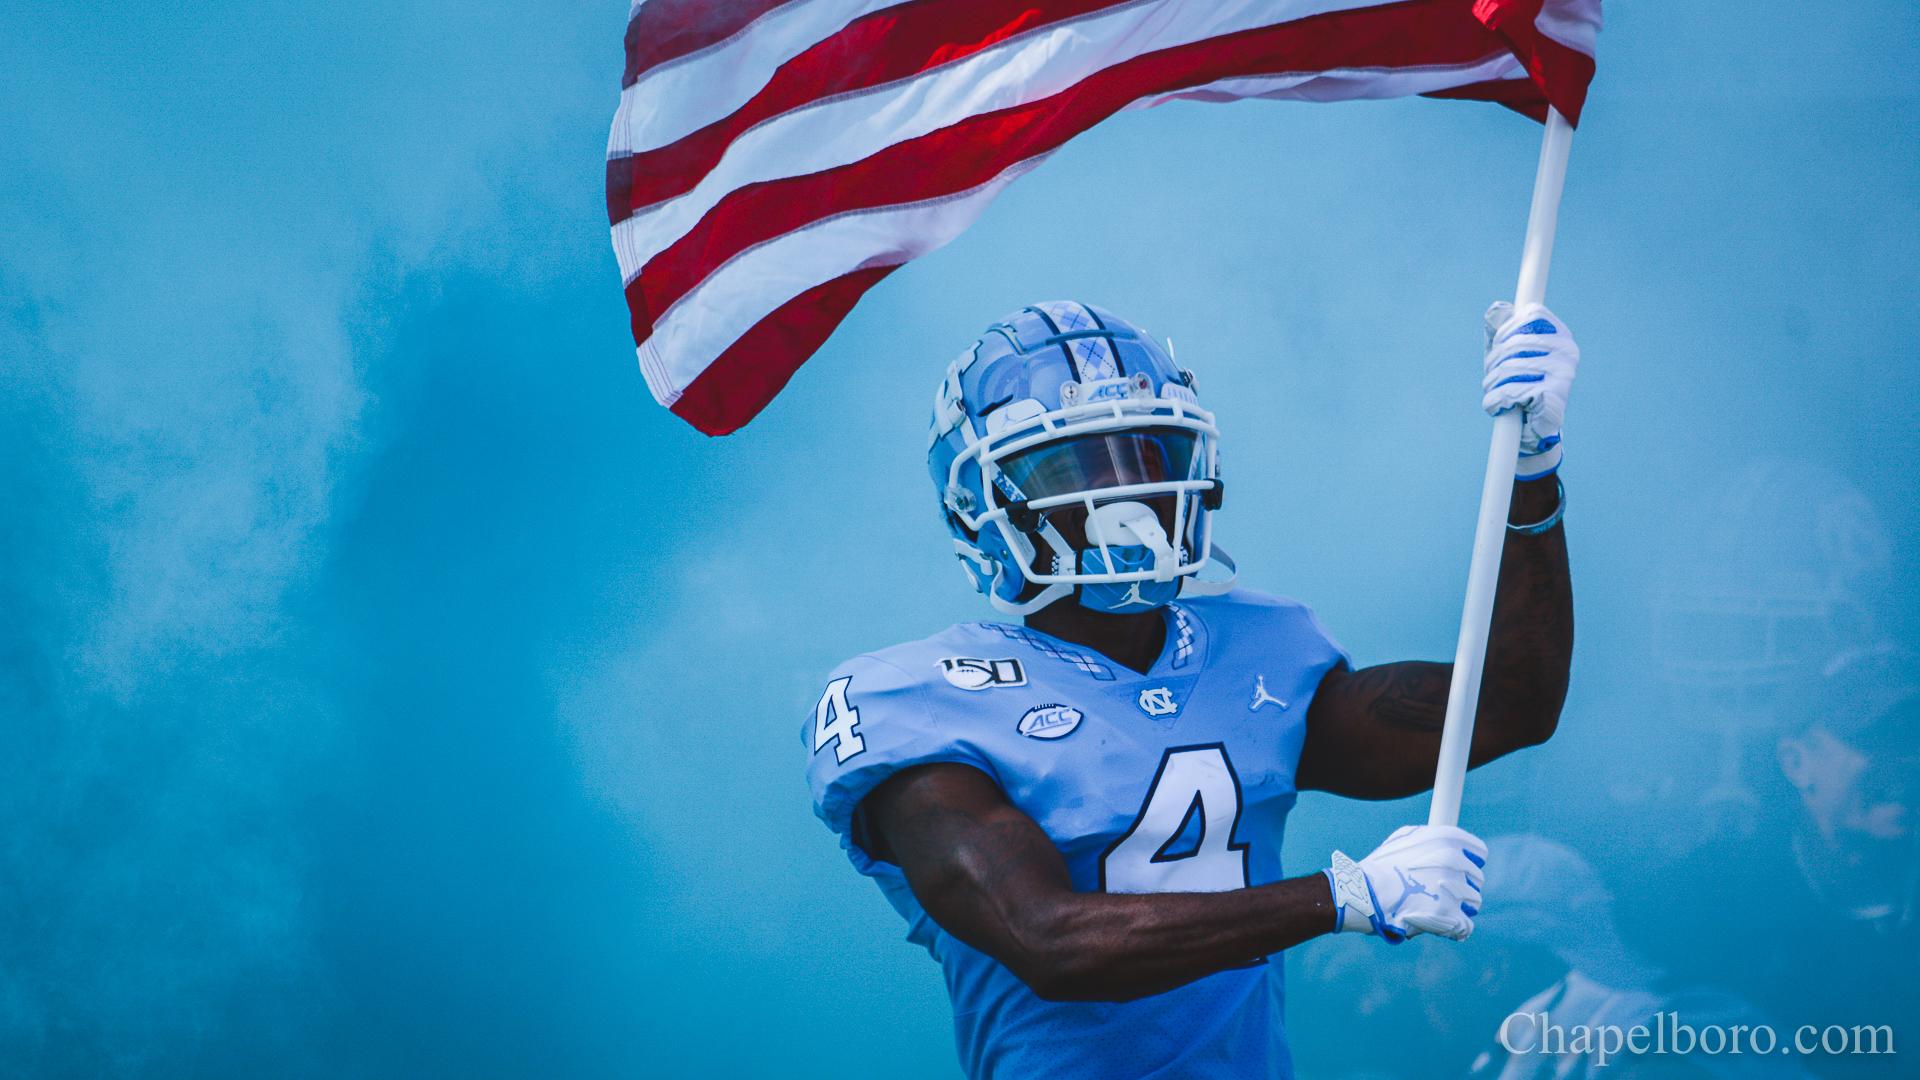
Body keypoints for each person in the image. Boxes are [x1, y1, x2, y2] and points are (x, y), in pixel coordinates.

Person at [803, 300, 1578, 1078]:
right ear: (985, 504)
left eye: (1148, 455)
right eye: (1077, 467)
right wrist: (1341, 896)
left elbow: (1514, 705)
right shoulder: (919, 697)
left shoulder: (1260, 650)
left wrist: (1532, 468)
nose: (1127, 495)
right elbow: (1049, 941)